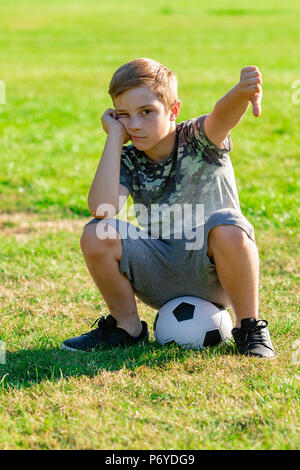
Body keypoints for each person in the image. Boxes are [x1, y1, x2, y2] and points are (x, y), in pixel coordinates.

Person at [61, 58, 276, 358]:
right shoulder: (129, 158)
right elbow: (102, 207)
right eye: (124, 115)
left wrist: (242, 91)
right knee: (97, 232)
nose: (134, 124)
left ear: (173, 110)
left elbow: (222, 115)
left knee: (229, 224)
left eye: (146, 112)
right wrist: (113, 138)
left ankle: (249, 327)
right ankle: (127, 328)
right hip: (160, 271)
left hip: (214, 270)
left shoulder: (199, 139)